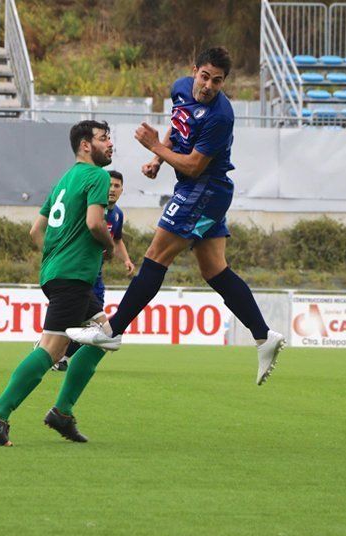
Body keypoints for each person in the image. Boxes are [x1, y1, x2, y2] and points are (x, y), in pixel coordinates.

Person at [67, 47, 286, 385]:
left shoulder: (220, 116)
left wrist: (156, 148)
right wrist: (159, 159)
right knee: (214, 269)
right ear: (193, 69)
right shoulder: (181, 88)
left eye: (217, 81)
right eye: (204, 76)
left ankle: (112, 330)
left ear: (223, 82)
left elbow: (194, 166)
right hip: (201, 190)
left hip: (203, 188)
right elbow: (178, 126)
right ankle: (263, 336)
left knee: (156, 256)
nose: (209, 85)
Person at [0, 120, 118, 447]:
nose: (110, 144)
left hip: (62, 274)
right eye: (104, 138)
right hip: (72, 277)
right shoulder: (97, 176)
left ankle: (63, 413)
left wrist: (56, 255)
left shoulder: (63, 181)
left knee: (107, 335)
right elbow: (95, 223)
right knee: (52, 348)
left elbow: (35, 231)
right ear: (86, 145)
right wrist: (109, 247)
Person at [52, 170, 135, 372]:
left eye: (116, 186)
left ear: (122, 190)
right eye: (109, 185)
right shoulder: (93, 210)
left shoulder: (117, 214)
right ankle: (53, 351)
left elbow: (116, 240)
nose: (112, 190)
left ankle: (58, 354)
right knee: (92, 324)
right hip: (78, 274)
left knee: (92, 325)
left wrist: (126, 260)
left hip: (95, 278)